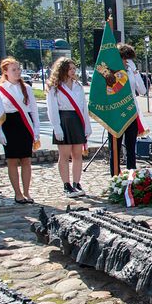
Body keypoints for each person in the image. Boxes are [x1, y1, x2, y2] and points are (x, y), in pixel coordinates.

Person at [0, 57, 39, 205]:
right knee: (12, 160)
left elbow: (33, 110)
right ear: (5, 72)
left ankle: (26, 192)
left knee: (26, 159)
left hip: (24, 124)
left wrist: (36, 130)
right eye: (14, 70)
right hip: (9, 124)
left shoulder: (26, 88)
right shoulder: (0, 89)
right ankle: (18, 193)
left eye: (18, 69)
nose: (18, 72)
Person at [47, 57, 92, 198]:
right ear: (63, 70)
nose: (73, 71)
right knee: (65, 155)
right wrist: (57, 127)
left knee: (77, 154)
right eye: (70, 68)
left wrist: (87, 126)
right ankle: (66, 184)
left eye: (74, 68)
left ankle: (76, 183)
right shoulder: (55, 87)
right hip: (64, 120)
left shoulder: (78, 86)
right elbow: (52, 109)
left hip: (77, 120)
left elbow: (84, 107)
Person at [108, 44, 147, 176]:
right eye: (124, 58)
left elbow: (142, 90)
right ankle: (115, 176)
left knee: (131, 146)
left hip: (131, 111)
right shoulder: (112, 72)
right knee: (115, 148)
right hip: (116, 112)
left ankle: (131, 175)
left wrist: (135, 72)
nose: (126, 61)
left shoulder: (131, 71)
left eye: (128, 59)